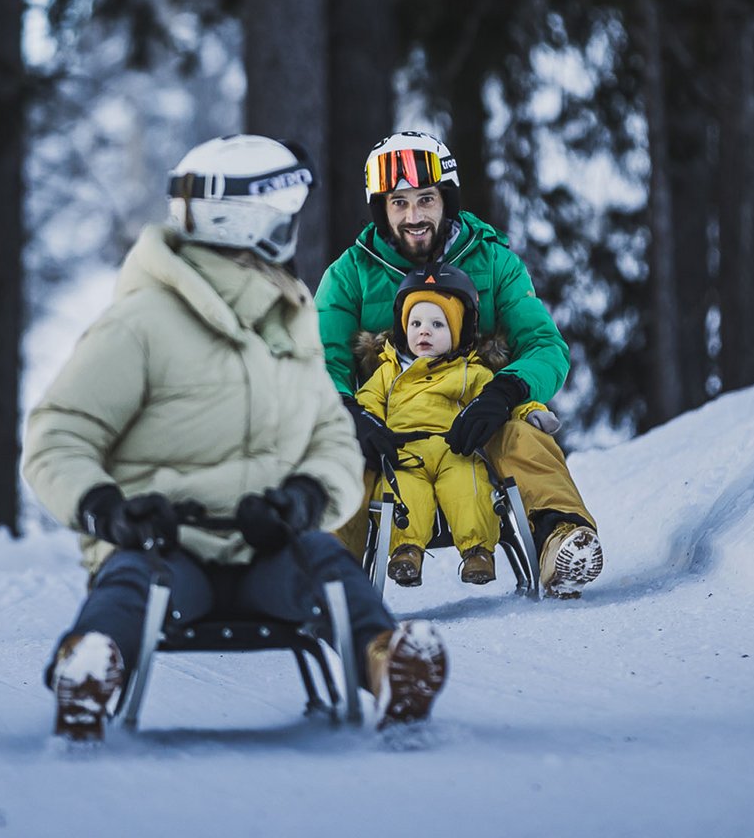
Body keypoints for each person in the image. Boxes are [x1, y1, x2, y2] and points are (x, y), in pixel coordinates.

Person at [23, 133, 449, 742]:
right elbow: (56, 435)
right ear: (250, 219)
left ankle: (389, 665)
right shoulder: (143, 322)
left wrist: (305, 497)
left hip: (265, 547)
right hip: (167, 546)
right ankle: (89, 668)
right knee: (135, 582)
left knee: (326, 563)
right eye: (285, 216)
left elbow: (332, 436)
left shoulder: (289, 317)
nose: (292, 228)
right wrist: (107, 511)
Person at [316, 131, 604, 598]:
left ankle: (560, 537)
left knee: (522, 434)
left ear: (445, 200)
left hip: (473, 423)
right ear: (381, 209)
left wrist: (505, 392)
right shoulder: (349, 275)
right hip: (386, 427)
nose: (413, 217)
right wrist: (349, 413)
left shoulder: (493, 263)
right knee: (341, 456)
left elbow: (545, 345)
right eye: (399, 203)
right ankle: (327, 572)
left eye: (425, 200)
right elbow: (319, 360)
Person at [351, 264, 561, 588]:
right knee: (404, 492)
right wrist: (364, 424)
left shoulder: (471, 372)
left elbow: (501, 405)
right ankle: (406, 552)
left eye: (438, 324)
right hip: (404, 453)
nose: (424, 331)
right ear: (403, 327)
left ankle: (478, 551)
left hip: (457, 449)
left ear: (458, 331)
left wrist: (530, 411)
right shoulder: (387, 373)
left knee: (470, 487)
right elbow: (366, 405)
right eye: (416, 323)